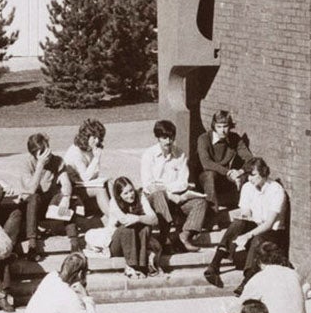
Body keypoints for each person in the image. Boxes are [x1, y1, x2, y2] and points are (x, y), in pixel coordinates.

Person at [204, 157, 288, 291]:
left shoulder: (276, 190)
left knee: (257, 238)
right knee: (238, 223)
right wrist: (244, 217)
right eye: (248, 175)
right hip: (255, 225)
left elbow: (269, 223)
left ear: (264, 173)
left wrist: (247, 236)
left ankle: (247, 281)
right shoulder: (248, 187)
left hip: (272, 233)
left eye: (253, 175)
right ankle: (214, 265)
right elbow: (246, 212)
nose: (249, 179)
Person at [223, 241, 309, 313]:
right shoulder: (294, 274)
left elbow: (238, 308)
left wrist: (227, 307)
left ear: (259, 261)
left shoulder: (259, 278)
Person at [139, 120, 207, 252]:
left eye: (171, 137)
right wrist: (168, 193)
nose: (168, 142)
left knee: (200, 202)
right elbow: (149, 185)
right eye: (164, 138)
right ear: (158, 138)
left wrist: (167, 190)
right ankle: (165, 237)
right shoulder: (149, 155)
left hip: (176, 198)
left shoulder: (180, 154)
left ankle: (184, 237)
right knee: (159, 195)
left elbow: (183, 182)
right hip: (153, 200)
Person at [20, 132, 80, 257]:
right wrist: (40, 166)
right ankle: (32, 243)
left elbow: (66, 183)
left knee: (67, 197)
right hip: (35, 208)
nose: (49, 155)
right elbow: (30, 189)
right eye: (44, 152)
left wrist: (66, 197)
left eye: (48, 149)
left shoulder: (57, 160)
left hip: (52, 204)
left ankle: (74, 243)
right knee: (34, 198)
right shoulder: (27, 164)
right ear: (35, 154)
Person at [107, 176, 163, 279]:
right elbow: (127, 221)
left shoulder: (140, 197)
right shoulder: (114, 203)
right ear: (119, 196)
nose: (130, 195)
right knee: (128, 228)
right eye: (125, 193)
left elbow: (154, 219)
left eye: (131, 190)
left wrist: (138, 218)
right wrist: (143, 218)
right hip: (117, 244)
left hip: (136, 242)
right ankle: (131, 266)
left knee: (145, 227)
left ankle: (142, 267)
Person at [195, 110, 252, 210]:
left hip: (224, 177)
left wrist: (239, 172)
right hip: (205, 178)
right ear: (214, 126)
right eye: (219, 127)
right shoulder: (204, 139)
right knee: (210, 175)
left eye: (225, 126)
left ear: (230, 126)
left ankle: (244, 212)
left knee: (249, 174)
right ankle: (212, 214)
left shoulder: (235, 138)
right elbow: (206, 163)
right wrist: (229, 172)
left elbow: (251, 160)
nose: (223, 130)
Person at [64, 119, 111, 222]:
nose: (97, 141)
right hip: (73, 188)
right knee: (100, 190)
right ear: (85, 137)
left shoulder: (90, 149)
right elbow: (85, 177)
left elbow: (95, 174)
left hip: (82, 185)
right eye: (94, 138)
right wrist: (96, 158)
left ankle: (115, 211)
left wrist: (95, 158)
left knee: (109, 183)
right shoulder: (75, 151)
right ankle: (113, 218)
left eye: (99, 138)